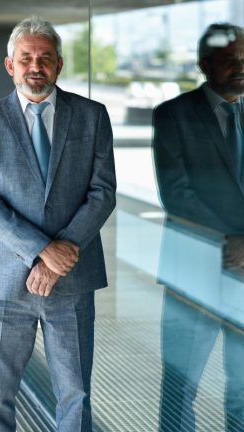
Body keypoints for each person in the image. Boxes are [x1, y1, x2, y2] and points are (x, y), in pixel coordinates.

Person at [0, 16, 116, 432]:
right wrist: (41, 250)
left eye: (45, 58)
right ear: (9, 65)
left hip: (71, 279)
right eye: (26, 57)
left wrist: (57, 257)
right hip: (4, 283)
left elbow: (102, 193)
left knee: (76, 396)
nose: (36, 65)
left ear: (59, 65)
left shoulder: (92, 116)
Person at [153, 23, 244, 431]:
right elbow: (177, 193)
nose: (240, 68)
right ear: (205, 65)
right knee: (181, 386)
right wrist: (231, 241)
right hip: (192, 271)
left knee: (243, 390)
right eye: (229, 61)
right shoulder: (173, 114)